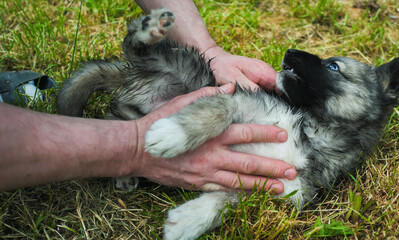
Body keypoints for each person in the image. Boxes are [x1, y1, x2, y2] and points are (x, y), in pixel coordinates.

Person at [0, 0, 297, 193]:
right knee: (181, 70)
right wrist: (133, 147)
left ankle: (124, 110)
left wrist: (212, 52)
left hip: (168, 89)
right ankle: (138, 47)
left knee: (183, 69)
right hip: (181, 90)